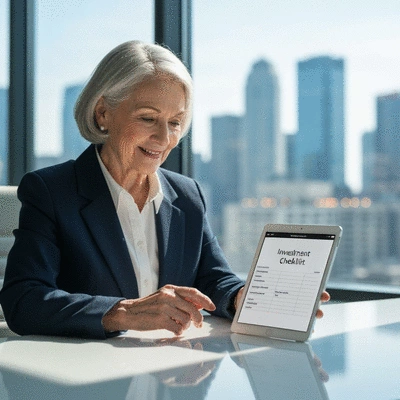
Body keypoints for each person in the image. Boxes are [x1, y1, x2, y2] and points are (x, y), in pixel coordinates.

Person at [0, 41, 328, 339]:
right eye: (147, 118)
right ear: (103, 113)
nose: (164, 138)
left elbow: (214, 278)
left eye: (175, 123)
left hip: (170, 372)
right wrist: (123, 312)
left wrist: (247, 298)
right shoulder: (51, 191)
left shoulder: (188, 195)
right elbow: (23, 300)